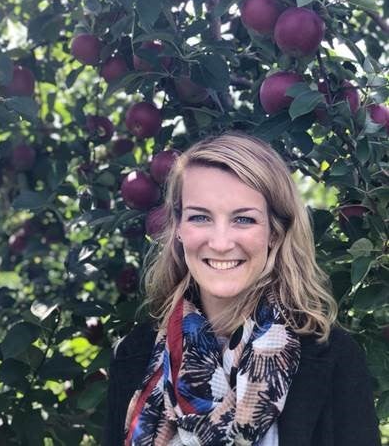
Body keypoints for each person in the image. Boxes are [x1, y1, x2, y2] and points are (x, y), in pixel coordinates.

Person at [102, 133, 381, 446]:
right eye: (200, 217)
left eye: (244, 219)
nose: (221, 243)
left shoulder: (332, 360)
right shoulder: (135, 356)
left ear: (275, 232)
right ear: (178, 228)